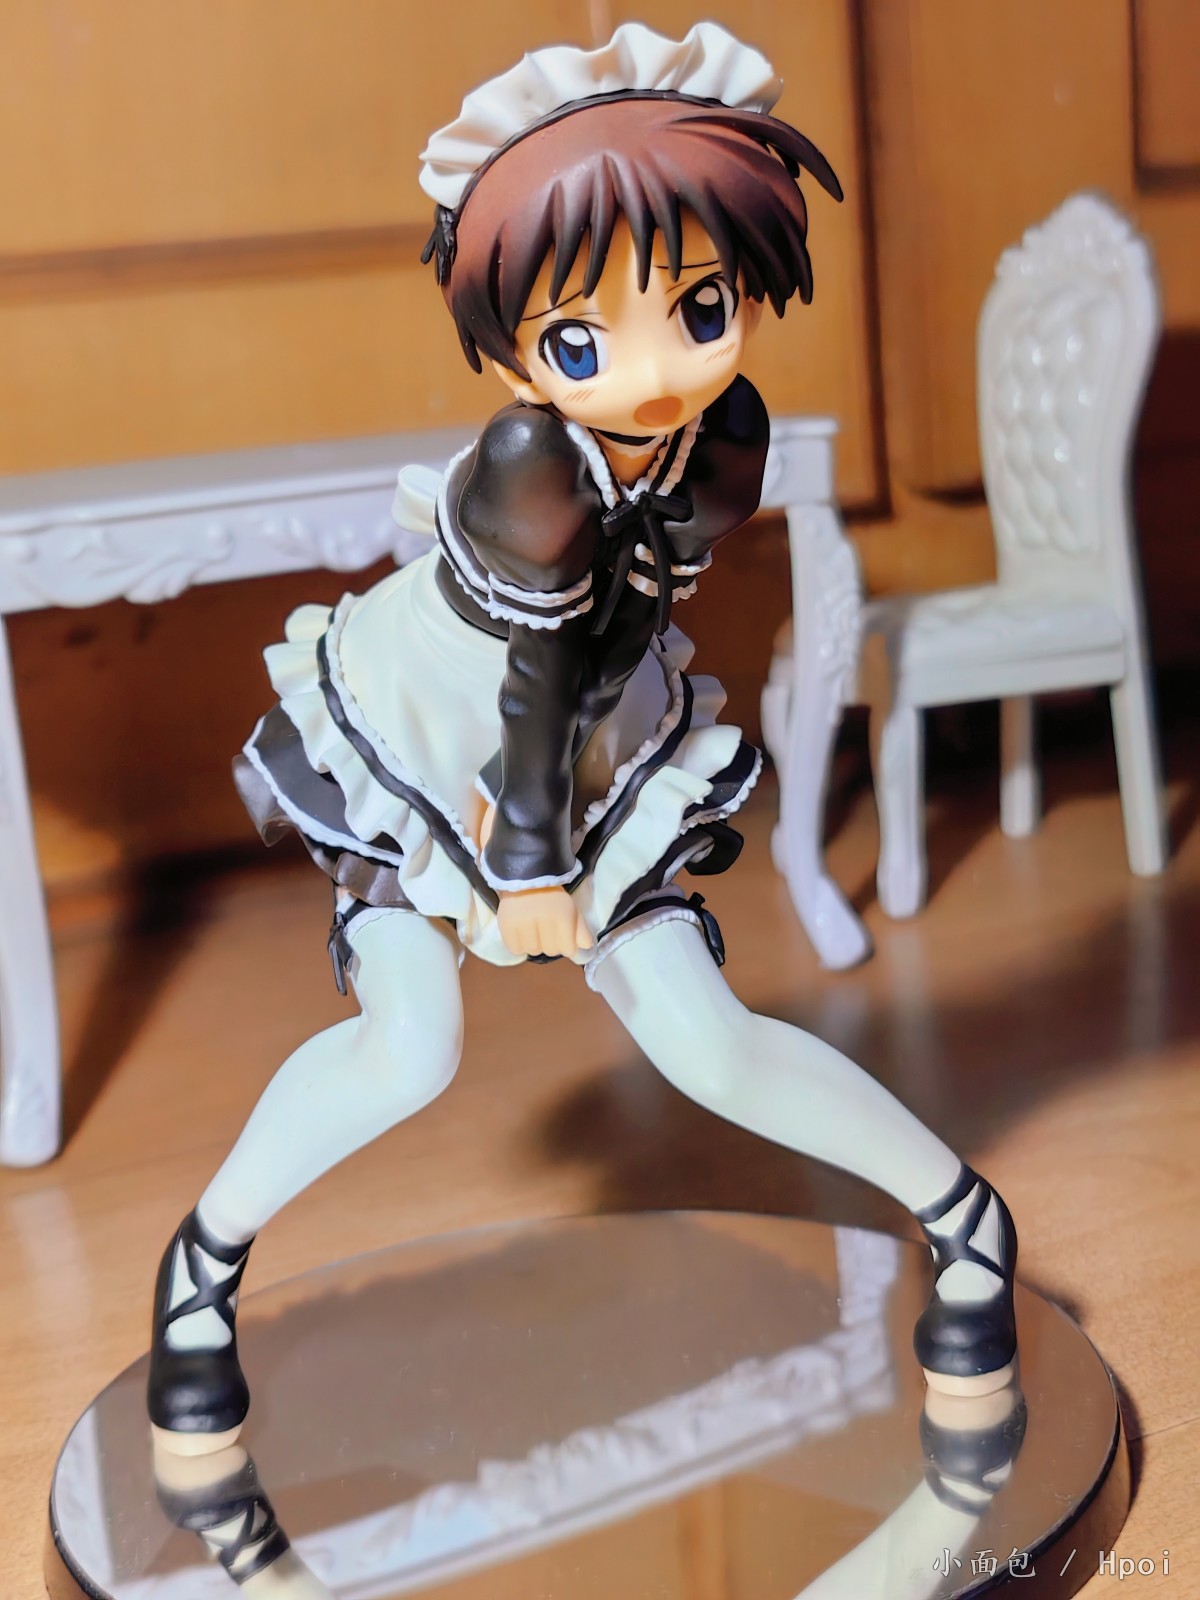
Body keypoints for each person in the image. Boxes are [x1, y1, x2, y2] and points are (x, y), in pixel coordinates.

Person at [148, 22, 1018, 1455]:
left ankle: (967, 1221)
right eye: (577, 339)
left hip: (586, 736)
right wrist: (527, 858)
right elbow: (535, 672)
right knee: (409, 1047)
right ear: (512, 352)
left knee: (710, 1046)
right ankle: (200, 1272)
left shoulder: (723, 433)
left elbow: (626, 625)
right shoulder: (526, 461)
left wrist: (560, 837)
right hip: (428, 728)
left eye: (700, 306)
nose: (654, 369)